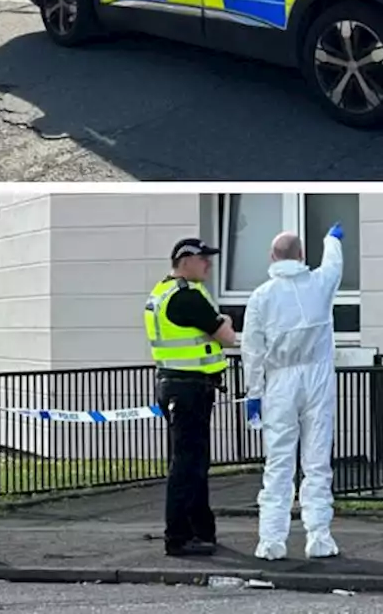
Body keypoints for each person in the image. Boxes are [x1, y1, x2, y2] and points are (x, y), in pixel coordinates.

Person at [241, 223, 344, 561]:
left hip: (279, 382)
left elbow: (252, 349)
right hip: (317, 376)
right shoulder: (319, 284)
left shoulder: (262, 296)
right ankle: (319, 536)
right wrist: (331, 240)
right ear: (302, 256)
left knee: (279, 461)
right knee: (316, 460)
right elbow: (333, 265)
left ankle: (271, 540)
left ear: (272, 257)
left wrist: (253, 391)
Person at [145, 237, 239, 557]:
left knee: (192, 463)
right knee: (187, 465)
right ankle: (179, 537)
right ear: (185, 261)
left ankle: (201, 531)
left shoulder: (163, 291)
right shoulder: (187, 297)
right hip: (189, 389)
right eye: (204, 259)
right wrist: (225, 321)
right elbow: (227, 338)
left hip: (176, 385)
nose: (209, 264)